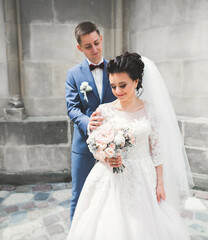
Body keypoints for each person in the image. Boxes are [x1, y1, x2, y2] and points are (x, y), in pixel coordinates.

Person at [67, 52, 194, 240]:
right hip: (109, 177)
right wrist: (106, 157)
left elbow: (157, 150)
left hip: (143, 177)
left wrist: (160, 183)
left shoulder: (150, 110)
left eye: (122, 85)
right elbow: (95, 147)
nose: (117, 91)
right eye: (113, 86)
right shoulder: (104, 111)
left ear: (136, 81)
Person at [65, 21, 116, 221]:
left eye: (97, 43)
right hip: (83, 146)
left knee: (112, 195)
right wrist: (87, 123)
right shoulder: (73, 74)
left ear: (101, 39)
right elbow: (72, 108)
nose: (94, 49)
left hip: (115, 144)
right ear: (80, 48)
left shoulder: (115, 68)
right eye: (88, 46)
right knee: (79, 195)